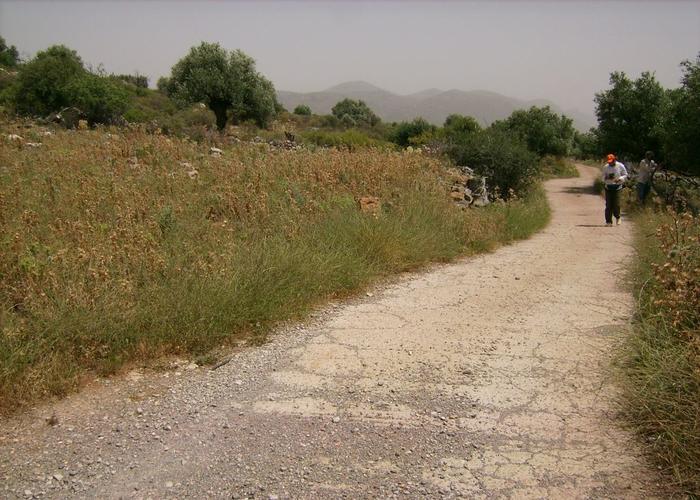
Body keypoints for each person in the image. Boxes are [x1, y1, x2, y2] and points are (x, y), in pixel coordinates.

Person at [602, 153, 628, 226]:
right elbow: (602, 177)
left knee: (617, 204)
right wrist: (606, 178)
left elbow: (625, 174)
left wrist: (620, 179)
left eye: (612, 161)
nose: (610, 163)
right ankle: (608, 221)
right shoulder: (605, 167)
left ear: (614, 160)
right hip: (608, 187)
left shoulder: (620, 165)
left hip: (617, 187)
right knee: (608, 205)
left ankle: (618, 217)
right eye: (609, 162)